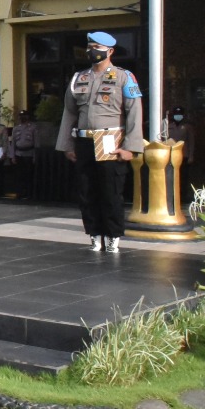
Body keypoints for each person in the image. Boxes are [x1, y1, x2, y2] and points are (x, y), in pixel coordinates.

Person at [55, 31, 144, 253]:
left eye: (96, 47)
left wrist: (131, 147)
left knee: (111, 191)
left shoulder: (124, 77)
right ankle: (94, 234)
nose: (91, 51)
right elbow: (69, 113)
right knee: (86, 191)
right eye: (89, 46)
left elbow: (134, 112)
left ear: (110, 51)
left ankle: (113, 236)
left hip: (111, 141)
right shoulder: (79, 78)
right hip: (85, 141)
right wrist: (66, 145)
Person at [10, 109, 38, 199]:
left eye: (24, 116)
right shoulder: (16, 128)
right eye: (20, 116)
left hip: (29, 154)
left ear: (28, 117)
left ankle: (29, 193)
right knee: (19, 175)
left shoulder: (33, 127)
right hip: (19, 154)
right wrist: (12, 156)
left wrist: (35, 156)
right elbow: (13, 143)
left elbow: (36, 143)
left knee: (28, 175)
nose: (22, 118)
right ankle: (20, 193)